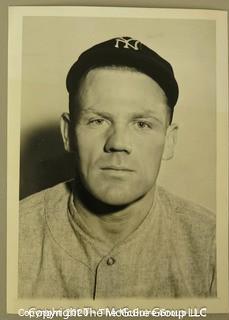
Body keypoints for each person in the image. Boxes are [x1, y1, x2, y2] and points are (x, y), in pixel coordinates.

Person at [19, 36, 216, 298]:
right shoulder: (12, 235)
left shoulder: (215, 247)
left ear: (169, 141)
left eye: (142, 124)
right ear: (68, 134)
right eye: (98, 121)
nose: (118, 143)